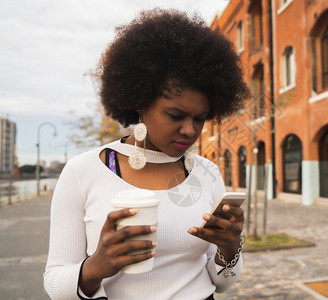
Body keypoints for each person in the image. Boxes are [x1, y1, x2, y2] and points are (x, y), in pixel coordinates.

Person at [44, 9, 250, 300]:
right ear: (139, 102)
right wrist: (95, 267)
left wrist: (229, 250)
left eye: (200, 118)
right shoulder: (82, 171)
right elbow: (55, 282)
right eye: (175, 115)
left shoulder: (207, 173)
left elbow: (222, 283)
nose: (190, 131)